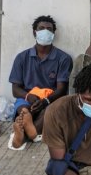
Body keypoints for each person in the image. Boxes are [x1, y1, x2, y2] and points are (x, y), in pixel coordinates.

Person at [9, 15, 73, 149]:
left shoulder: (63, 58)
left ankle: (21, 136)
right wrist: (28, 96)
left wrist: (45, 101)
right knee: (23, 107)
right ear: (34, 32)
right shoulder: (22, 58)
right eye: (41, 28)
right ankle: (26, 120)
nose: (46, 31)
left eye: (49, 29)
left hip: (51, 99)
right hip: (28, 97)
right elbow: (15, 89)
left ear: (54, 34)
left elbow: (61, 90)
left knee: (48, 112)